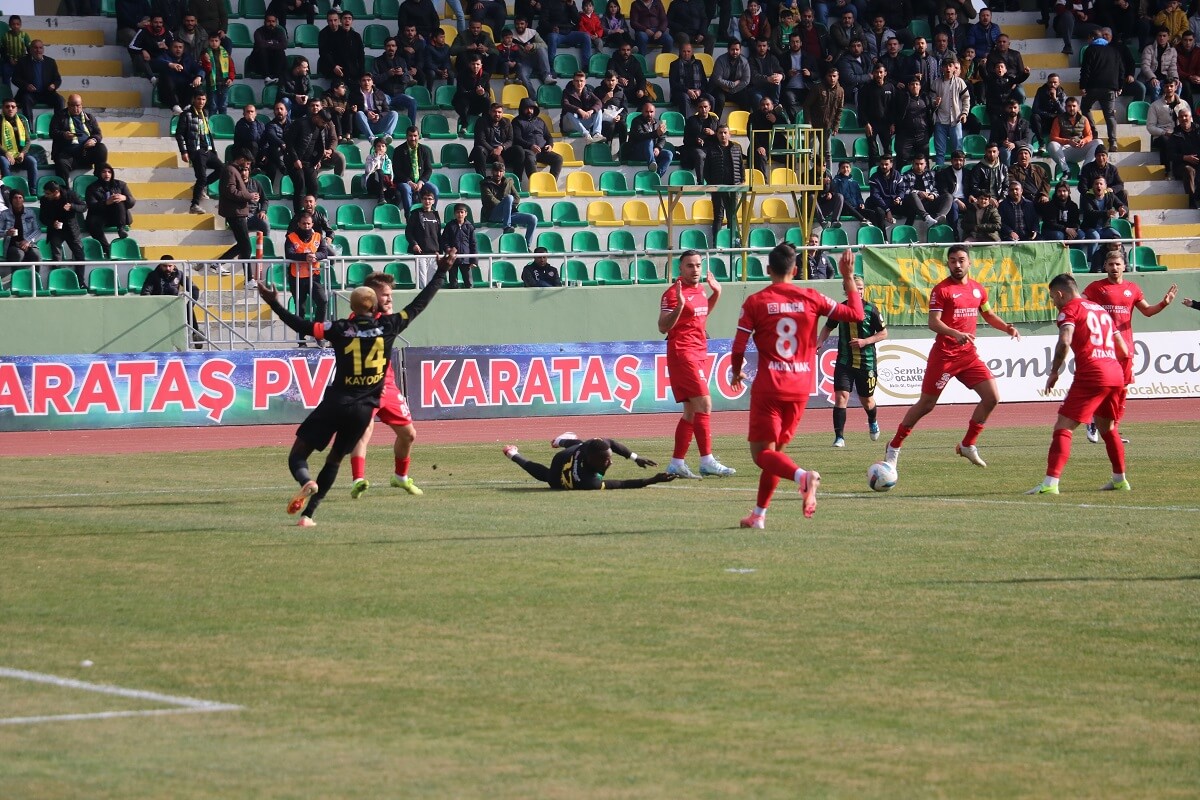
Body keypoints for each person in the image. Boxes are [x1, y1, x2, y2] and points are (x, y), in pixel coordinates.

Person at [257, 257, 448, 526]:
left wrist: (274, 302)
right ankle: (309, 514)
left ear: (353, 306)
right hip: (363, 408)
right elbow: (420, 304)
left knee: (298, 455)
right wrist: (442, 271)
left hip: (337, 401)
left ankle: (306, 481)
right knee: (334, 460)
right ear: (375, 305)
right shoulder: (390, 325)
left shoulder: (339, 328)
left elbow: (300, 325)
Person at [731, 245, 863, 528]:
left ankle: (803, 477)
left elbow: (739, 344)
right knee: (775, 455)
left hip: (769, 388)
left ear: (768, 270)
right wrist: (848, 277)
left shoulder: (756, 301)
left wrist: (735, 370)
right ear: (796, 270)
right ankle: (758, 515)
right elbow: (856, 314)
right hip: (800, 387)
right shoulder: (812, 297)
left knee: (762, 456)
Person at [883, 244, 1021, 473]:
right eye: (953, 261)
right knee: (926, 404)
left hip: (968, 356)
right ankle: (894, 446)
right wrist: (956, 334)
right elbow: (933, 322)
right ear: (948, 264)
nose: (957, 264)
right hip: (945, 356)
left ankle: (967, 444)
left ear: (969, 262)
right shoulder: (942, 290)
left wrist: (1006, 327)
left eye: (961, 260)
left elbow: (988, 314)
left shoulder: (978, 290)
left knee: (992, 397)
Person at [1025, 273, 1131, 495]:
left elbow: (1065, 340)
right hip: (1115, 372)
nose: (1054, 303)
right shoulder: (1100, 310)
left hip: (1093, 372)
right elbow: (1123, 349)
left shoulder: (1070, 310)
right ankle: (1120, 480)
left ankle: (1050, 483)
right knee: (1108, 428)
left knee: (1063, 427)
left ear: (1060, 294)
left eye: (1053, 298)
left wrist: (1054, 371)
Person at [1080, 248, 1176, 444]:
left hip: (1125, 347)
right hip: (1103, 347)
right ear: (1105, 266)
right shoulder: (1096, 288)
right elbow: (1080, 306)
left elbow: (1147, 311)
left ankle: (1112, 429)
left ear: (1124, 266)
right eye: (1111, 264)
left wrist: (1164, 303)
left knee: (1121, 390)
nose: (1114, 268)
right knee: (1102, 386)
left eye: (1118, 264)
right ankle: (1091, 420)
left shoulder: (1133, 288)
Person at [347, 271, 428, 499]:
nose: (390, 299)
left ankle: (400, 477)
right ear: (371, 298)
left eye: (390, 294)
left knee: (409, 435)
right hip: (363, 388)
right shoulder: (355, 325)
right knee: (363, 431)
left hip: (388, 386)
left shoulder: (387, 322)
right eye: (385, 295)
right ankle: (358, 480)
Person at [657, 250, 735, 480]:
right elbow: (663, 327)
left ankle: (676, 463)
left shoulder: (701, 289)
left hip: (699, 350)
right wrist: (680, 306)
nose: (696, 270)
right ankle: (706, 460)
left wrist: (717, 293)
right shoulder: (673, 294)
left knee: (691, 411)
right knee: (705, 404)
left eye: (698, 265)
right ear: (680, 269)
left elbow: (700, 315)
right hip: (683, 352)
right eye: (690, 266)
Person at [815, 274, 887, 448]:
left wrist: (865, 341)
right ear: (847, 291)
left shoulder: (872, 310)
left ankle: (872, 420)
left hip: (866, 362)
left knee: (867, 400)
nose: (859, 292)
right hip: (844, 361)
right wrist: (819, 341)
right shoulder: (840, 309)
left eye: (861, 288)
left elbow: (884, 333)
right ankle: (839, 437)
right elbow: (828, 326)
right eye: (855, 289)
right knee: (841, 397)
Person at [503, 434, 676, 490]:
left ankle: (559, 441)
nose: (611, 462)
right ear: (593, 460)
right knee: (547, 477)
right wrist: (653, 480)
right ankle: (512, 454)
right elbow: (621, 483)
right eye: (607, 460)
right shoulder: (589, 482)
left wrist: (636, 458)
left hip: (576, 451)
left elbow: (612, 444)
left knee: (580, 443)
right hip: (560, 469)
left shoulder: (591, 448)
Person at [284, 210, 332, 346]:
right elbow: (289, 254)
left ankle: (318, 334)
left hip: (314, 275)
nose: (306, 226)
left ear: (312, 224)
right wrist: (305, 257)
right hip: (297, 277)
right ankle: (301, 339)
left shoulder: (318, 236)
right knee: (301, 308)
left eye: (309, 223)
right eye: (304, 223)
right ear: (299, 224)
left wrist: (316, 256)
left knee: (322, 301)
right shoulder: (291, 237)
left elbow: (324, 252)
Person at [175, 89, 221, 214]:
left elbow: (207, 133)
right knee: (201, 177)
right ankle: (194, 205)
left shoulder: (204, 113)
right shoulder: (187, 114)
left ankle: (199, 189)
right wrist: (184, 151)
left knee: (222, 169)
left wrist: (214, 150)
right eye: (199, 99)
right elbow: (179, 134)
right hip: (196, 150)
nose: (201, 102)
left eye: (204, 99)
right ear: (193, 99)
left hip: (208, 149)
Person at [141, 255, 202, 346]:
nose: (168, 268)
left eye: (170, 266)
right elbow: (145, 292)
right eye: (165, 266)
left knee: (188, 309)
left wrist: (190, 304)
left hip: (174, 305)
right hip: (158, 306)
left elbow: (195, 289)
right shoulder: (153, 275)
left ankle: (195, 334)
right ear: (160, 265)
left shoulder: (179, 274)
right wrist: (152, 305)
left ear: (174, 265)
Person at [50, 94, 107, 182]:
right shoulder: (59, 116)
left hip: (85, 152)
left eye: (78, 106)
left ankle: (99, 179)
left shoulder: (89, 117)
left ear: (81, 105)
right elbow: (52, 132)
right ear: (68, 105)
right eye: (73, 106)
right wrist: (63, 134)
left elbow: (98, 133)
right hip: (67, 154)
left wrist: (93, 140)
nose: (76, 108)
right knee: (61, 163)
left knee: (101, 148)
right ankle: (64, 190)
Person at [481, 160, 536, 247]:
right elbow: (491, 200)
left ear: (504, 172)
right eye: (496, 171)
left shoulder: (508, 182)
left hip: (509, 214)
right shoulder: (485, 184)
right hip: (493, 214)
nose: (498, 174)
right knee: (509, 198)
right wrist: (505, 203)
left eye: (500, 171)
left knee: (533, 219)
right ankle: (506, 227)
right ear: (492, 172)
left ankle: (526, 246)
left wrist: (507, 204)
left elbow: (517, 198)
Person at [84, 163, 135, 257]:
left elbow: (132, 202)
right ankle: (107, 248)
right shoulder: (92, 188)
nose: (107, 174)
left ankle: (121, 229)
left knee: (118, 200)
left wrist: (125, 198)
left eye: (109, 172)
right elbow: (92, 206)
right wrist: (106, 202)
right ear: (99, 173)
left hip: (118, 216)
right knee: (92, 224)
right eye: (104, 172)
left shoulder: (121, 184)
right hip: (100, 216)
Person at [38, 180, 86, 280]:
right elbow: (42, 217)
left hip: (71, 230)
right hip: (55, 230)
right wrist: (52, 223)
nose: (46, 195)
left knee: (79, 256)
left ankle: (81, 281)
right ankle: (57, 281)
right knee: (56, 257)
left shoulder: (70, 195)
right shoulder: (44, 200)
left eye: (48, 193)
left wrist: (72, 206)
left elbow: (84, 206)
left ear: (56, 191)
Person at [217, 148, 256, 269]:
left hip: (237, 212)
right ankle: (218, 263)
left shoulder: (233, 170)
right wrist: (249, 196)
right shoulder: (231, 170)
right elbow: (231, 191)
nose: (248, 167)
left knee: (244, 246)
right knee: (246, 247)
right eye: (248, 163)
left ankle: (248, 279)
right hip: (235, 213)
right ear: (241, 159)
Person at [705, 124, 743, 245]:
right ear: (717, 134)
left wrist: (741, 180)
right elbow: (706, 169)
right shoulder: (712, 149)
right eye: (720, 132)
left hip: (733, 186)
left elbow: (741, 165)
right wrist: (712, 184)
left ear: (729, 134)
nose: (723, 135)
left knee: (732, 216)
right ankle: (717, 242)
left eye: (725, 133)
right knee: (718, 215)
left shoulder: (737, 148)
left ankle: (731, 241)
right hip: (718, 187)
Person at [511, 98, 562, 183]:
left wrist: (550, 145)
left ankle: (550, 184)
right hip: (528, 150)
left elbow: (548, 136)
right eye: (526, 108)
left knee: (558, 159)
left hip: (543, 151)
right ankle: (536, 184)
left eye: (531, 108)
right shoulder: (516, 122)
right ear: (521, 109)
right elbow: (517, 139)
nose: (529, 111)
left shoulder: (540, 121)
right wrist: (530, 146)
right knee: (530, 159)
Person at [13, 40, 64, 125]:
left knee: (60, 100)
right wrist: (26, 86)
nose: (38, 50)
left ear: (43, 49)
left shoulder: (50, 62)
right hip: (30, 94)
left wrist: (54, 85)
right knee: (25, 100)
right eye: (35, 48)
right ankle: (29, 129)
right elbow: (15, 79)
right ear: (30, 49)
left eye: (40, 48)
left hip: (47, 93)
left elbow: (58, 79)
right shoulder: (22, 62)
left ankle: (58, 126)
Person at [393, 125, 437, 213]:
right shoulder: (399, 150)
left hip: (420, 181)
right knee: (406, 189)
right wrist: (409, 182)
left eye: (415, 136)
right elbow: (397, 170)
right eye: (410, 136)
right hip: (404, 181)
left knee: (434, 190)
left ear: (418, 136)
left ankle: (430, 213)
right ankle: (410, 216)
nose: (413, 138)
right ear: (406, 136)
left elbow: (428, 169)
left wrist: (421, 181)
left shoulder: (424, 150)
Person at [155, 39, 203, 114]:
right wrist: (171, 65)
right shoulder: (165, 56)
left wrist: (199, 77)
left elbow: (199, 69)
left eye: (180, 47)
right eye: (175, 47)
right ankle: (175, 106)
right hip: (168, 93)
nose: (178, 49)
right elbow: (157, 62)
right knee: (165, 77)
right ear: (171, 48)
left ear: (183, 49)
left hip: (183, 92)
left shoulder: (188, 58)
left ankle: (188, 105)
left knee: (195, 80)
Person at [709, 38, 753, 118]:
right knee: (719, 100)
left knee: (746, 99)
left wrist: (732, 89)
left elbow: (746, 80)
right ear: (728, 49)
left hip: (737, 89)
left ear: (740, 50)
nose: (735, 52)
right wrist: (732, 84)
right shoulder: (720, 60)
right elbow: (717, 79)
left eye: (737, 49)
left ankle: (745, 124)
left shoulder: (744, 61)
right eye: (732, 49)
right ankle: (715, 124)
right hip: (721, 89)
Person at [406, 187, 442, 283]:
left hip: (434, 253)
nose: (427, 201)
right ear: (421, 200)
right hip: (421, 253)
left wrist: (440, 251)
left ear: (433, 201)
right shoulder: (415, 214)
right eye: (425, 199)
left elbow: (438, 234)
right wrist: (414, 244)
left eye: (430, 199)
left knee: (432, 281)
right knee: (422, 281)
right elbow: (408, 232)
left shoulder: (436, 215)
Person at [0, 99, 38, 190]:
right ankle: (9, 190)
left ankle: (33, 189)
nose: (10, 109)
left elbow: (28, 141)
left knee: (32, 161)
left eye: (13, 107)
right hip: (3, 155)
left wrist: (23, 153)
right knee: (4, 162)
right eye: (7, 106)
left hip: (20, 154)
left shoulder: (22, 121)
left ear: (16, 109)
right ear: (2, 109)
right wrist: (6, 153)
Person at [0, 191, 40, 275]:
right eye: (15, 198)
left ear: (23, 200)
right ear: (11, 200)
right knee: (18, 254)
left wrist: (27, 241)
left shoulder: (30, 212)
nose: (18, 200)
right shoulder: (4, 214)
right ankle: (16, 280)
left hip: (28, 244)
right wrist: (7, 232)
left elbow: (37, 230)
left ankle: (36, 279)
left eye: (20, 197)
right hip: (12, 245)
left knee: (37, 255)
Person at [628, 101, 672, 177]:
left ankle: (657, 176)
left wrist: (658, 148)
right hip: (638, 152)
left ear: (654, 112)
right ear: (642, 111)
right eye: (647, 112)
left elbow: (663, 138)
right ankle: (652, 163)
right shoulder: (636, 121)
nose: (649, 114)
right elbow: (640, 136)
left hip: (652, 151)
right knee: (648, 141)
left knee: (668, 154)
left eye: (651, 112)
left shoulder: (658, 122)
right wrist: (656, 133)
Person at [440, 202, 477, 288]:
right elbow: (444, 241)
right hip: (453, 259)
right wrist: (448, 250)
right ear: (454, 214)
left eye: (462, 212)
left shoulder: (469, 227)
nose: (460, 214)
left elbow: (473, 244)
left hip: (466, 259)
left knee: (469, 282)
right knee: (453, 283)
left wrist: (474, 260)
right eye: (457, 212)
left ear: (466, 214)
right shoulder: (449, 226)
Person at [561, 70, 604, 141]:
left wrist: (591, 111)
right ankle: (586, 135)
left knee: (598, 110)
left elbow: (599, 102)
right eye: (577, 81)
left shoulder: (588, 91)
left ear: (585, 82)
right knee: (569, 113)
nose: (579, 83)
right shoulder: (567, 92)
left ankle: (597, 134)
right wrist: (579, 110)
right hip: (569, 123)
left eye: (581, 81)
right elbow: (565, 104)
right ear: (573, 82)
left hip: (582, 122)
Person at [247, 13, 288, 83]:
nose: (271, 23)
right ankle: (266, 77)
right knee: (262, 50)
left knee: (280, 52)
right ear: (265, 22)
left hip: (274, 62)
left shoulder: (280, 31)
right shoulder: (258, 31)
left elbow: (284, 45)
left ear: (276, 22)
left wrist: (267, 43)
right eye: (269, 21)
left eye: (273, 21)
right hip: (260, 63)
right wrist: (275, 43)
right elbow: (260, 45)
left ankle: (276, 77)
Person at [363, 136, 397, 205]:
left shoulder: (388, 161)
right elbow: (368, 171)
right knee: (379, 171)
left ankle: (388, 212)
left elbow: (391, 175)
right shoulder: (370, 157)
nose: (381, 148)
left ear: (386, 148)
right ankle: (381, 197)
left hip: (384, 185)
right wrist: (376, 158)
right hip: (372, 184)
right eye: (378, 146)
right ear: (375, 148)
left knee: (398, 194)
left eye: (383, 146)